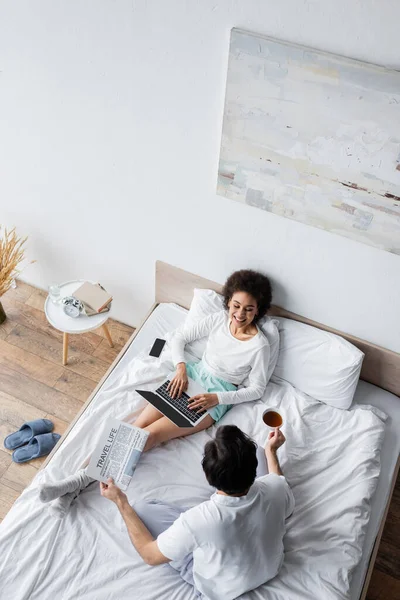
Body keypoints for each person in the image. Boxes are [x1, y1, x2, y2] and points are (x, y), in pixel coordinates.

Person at [39, 269, 273, 515]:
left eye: (249, 309)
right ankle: (73, 489)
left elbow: (257, 389)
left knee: (148, 437)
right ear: (228, 302)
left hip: (212, 399)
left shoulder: (259, 346)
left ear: (258, 310)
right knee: (130, 428)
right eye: (236, 305)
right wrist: (181, 367)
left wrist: (217, 398)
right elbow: (180, 338)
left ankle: (74, 485)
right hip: (190, 377)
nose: (240, 314)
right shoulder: (218, 320)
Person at [100, 425, 294, 600]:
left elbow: (150, 556)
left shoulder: (196, 521)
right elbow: (277, 480)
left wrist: (120, 501)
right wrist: (271, 450)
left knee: (141, 510)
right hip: (269, 568)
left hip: (219, 589)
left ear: (209, 477)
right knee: (262, 452)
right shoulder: (276, 486)